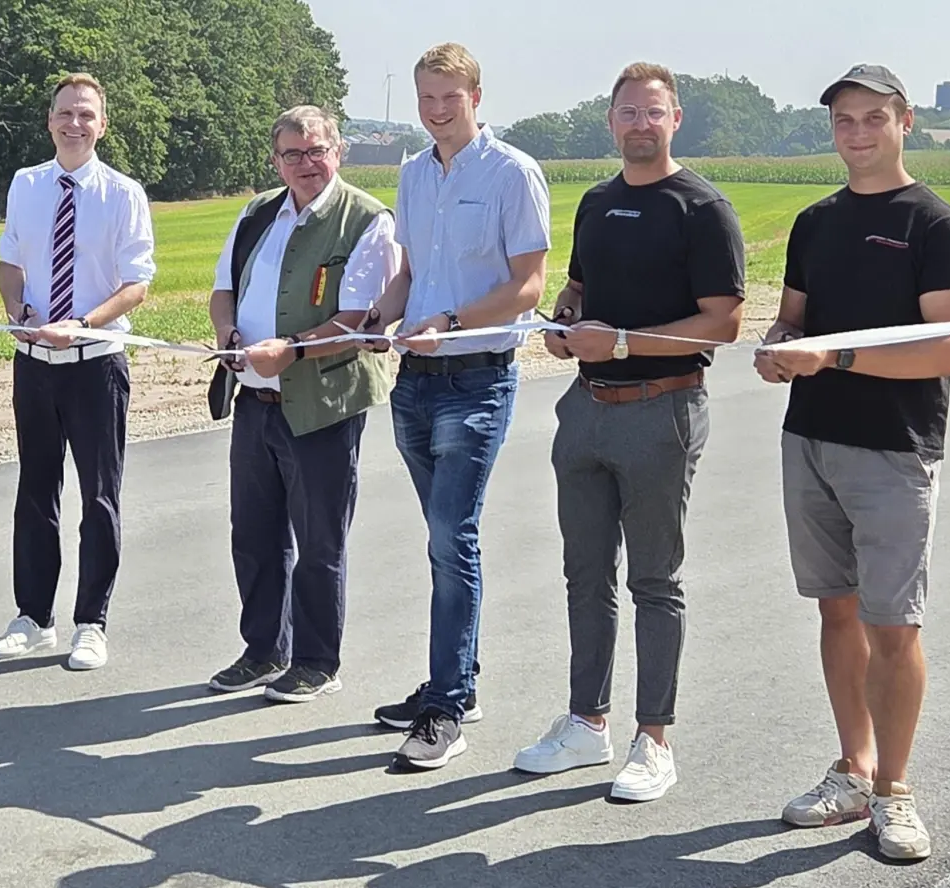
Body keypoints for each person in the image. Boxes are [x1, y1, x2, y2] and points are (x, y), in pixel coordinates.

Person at [755, 63, 950, 861]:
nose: (857, 134)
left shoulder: (935, 225)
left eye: (872, 119)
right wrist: (779, 354)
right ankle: (854, 769)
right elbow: (791, 324)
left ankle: (895, 793)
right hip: (810, 438)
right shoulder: (815, 222)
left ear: (904, 122)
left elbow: (945, 351)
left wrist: (832, 359)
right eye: (844, 121)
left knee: (893, 624)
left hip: (895, 449)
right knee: (836, 611)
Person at [514, 63, 745, 802]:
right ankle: (588, 722)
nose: (640, 125)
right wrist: (564, 317)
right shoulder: (596, 201)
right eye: (627, 113)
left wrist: (616, 342)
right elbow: (579, 289)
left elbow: (724, 323)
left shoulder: (700, 207)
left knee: (654, 580)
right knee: (585, 573)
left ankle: (655, 738)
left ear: (675, 119)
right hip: (586, 409)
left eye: (653, 113)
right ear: (609, 121)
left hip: (661, 409)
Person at [362, 42, 551, 769]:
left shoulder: (512, 173)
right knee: (443, 540)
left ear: (477, 98)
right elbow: (409, 271)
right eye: (426, 99)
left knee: (452, 535)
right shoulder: (412, 172)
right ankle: (454, 682)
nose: (437, 112)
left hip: (478, 378)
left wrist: (453, 322)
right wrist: (379, 316)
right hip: (414, 382)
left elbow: (529, 284)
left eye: (450, 98)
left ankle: (446, 706)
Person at [203, 105, 401, 702]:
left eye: (316, 151)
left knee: (319, 540)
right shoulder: (258, 212)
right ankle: (264, 650)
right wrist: (230, 339)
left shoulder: (368, 219)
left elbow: (356, 319)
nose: (306, 163)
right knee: (254, 535)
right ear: (276, 160)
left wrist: (288, 349)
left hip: (325, 402)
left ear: (338, 151)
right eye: (293, 154)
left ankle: (317, 659)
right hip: (256, 401)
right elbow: (223, 291)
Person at [0, 72, 157, 670]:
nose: (74, 123)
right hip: (33, 365)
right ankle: (33, 617)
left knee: (99, 498)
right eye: (65, 113)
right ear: (50, 120)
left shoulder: (123, 193)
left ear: (102, 124)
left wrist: (82, 322)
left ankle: (91, 622)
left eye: (86, 114)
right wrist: (16, 309)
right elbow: (9, 263)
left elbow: (136, 285)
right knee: (35, 493)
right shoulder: (25, 184)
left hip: (95, 365)